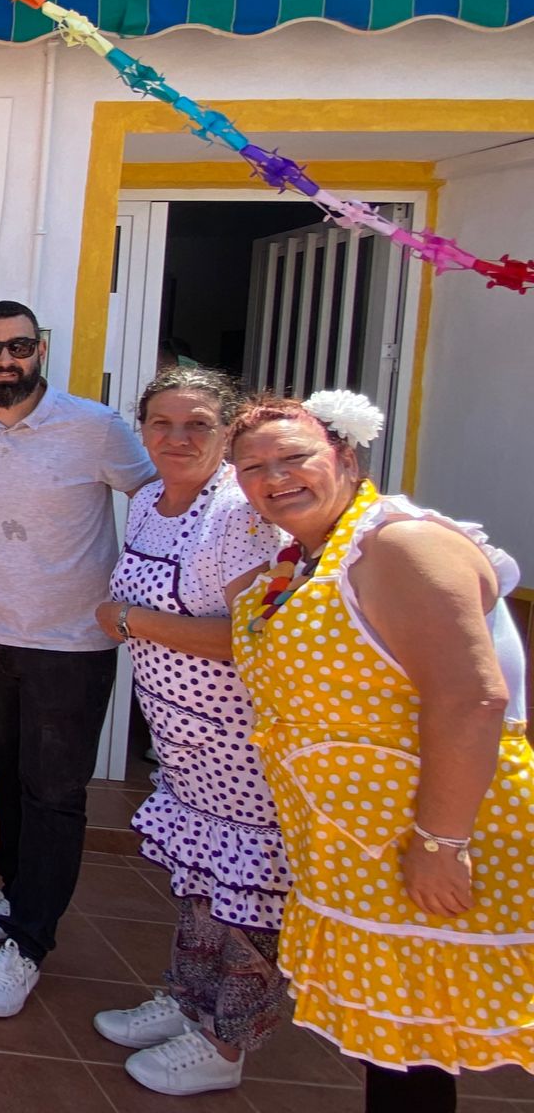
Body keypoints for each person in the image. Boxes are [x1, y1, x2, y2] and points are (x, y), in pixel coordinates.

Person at [228, 391, 534, 1110]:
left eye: (294, 458)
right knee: (408, 1046)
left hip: (438, 835)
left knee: (439, 1036)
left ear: (346, 455)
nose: (276, 478)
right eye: (252, 468)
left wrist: (441, 839)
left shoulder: (400, 544)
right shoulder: (305, 560)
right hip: (363, 844)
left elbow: (472, 697)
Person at [0, 300, 154, 1017]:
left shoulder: (96, 427)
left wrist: (149, 595)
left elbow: (158, 502)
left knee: (55, 796)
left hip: (71, 647)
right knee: (11, 776)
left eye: (18, 347)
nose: (5, 360)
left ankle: (29, 943)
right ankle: (14, 899)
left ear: (41, 351)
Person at [88, 367, 290, 1096]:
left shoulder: (237, 513)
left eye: (197, 425)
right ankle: (184, 1002)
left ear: (227, 433)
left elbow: (249, 638)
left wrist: (132, 621)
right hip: (180, 739)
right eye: (161, 424)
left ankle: (224, 1042)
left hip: (241, 743)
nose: (176, 438)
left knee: (246, 898)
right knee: (198, 881)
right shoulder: (146, 501)